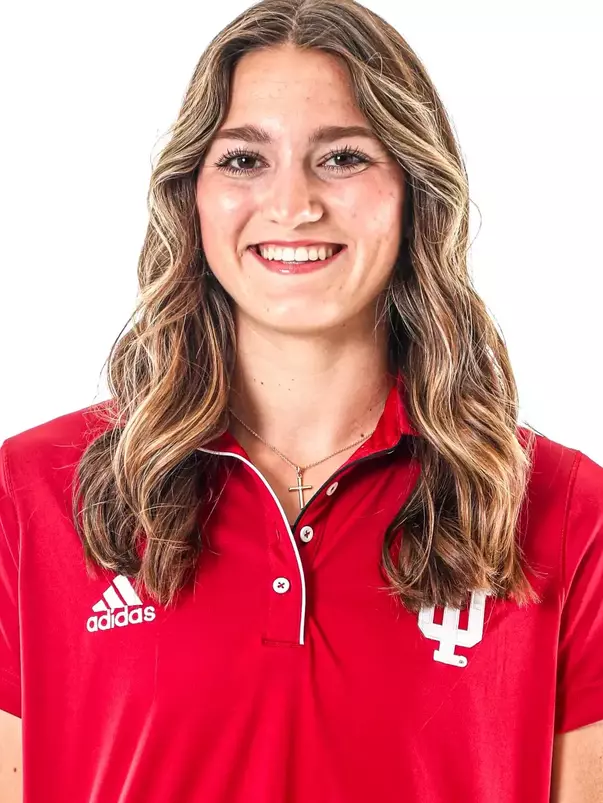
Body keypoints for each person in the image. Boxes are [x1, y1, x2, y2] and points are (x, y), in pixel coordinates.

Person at [1, 0, 602, 801]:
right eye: (245, 160)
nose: (293, 205)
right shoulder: (30, 492)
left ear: (413, 191)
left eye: (343, 157)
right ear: (193, 196)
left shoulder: (565, 512)